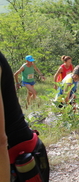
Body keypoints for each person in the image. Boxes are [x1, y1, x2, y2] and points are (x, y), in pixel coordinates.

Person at [1, 51, 50, 181]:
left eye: (32, 61)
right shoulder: (23, 66)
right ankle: (33, 104)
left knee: (30, 95)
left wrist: (41, 75)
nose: (31, 62)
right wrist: (17, 83)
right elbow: (16, 73)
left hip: (31, 80)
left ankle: (29, 105)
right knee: (34, 93)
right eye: (30, 61)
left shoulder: (32, 65)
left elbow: (1, 141)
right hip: (25, 81)